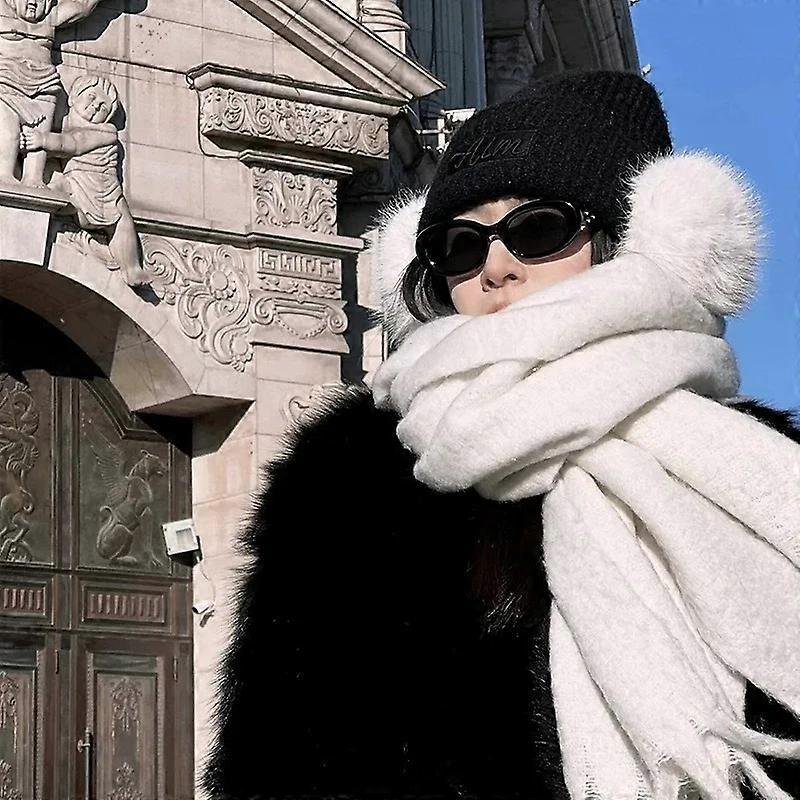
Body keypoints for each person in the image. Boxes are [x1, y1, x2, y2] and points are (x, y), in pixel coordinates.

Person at [201, 69, 800, 800]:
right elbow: (283, 758)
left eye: (538, 228)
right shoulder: (356, 475)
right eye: (459, 245)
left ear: (631, 241)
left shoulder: (760, 469)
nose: (495, 268)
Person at [19, 73, 149, 286]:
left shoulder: (107, 132)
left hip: (102, 191)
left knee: (123, 222)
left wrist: (42, 139)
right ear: (73, 98)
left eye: (104, 107)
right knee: (50, 184)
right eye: (92, 97)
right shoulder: (64, 124)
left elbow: (73, 143)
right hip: (74, 185)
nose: (96, 105)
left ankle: (131, 267)